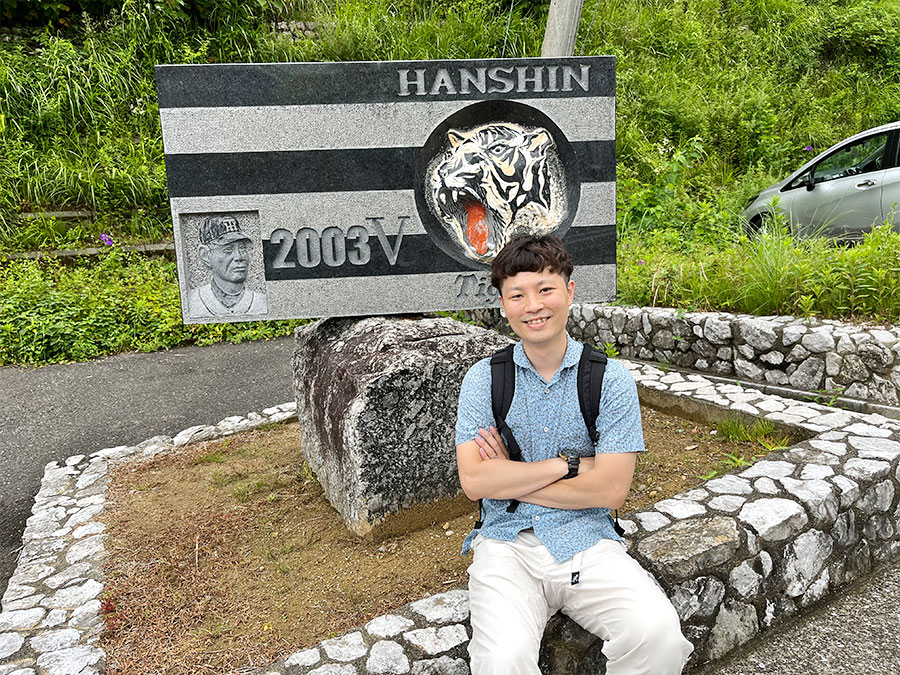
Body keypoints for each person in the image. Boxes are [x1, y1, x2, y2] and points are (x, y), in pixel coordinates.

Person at [455, 234, 693, 675]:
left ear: (569, 290)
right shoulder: (483, 379)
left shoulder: (610, 380)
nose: (533, 306)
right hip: (507, 543)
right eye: (517, 295)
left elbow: (611, 489)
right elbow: (475, 482)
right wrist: (566, 465)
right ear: (504, 305)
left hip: (588, 539)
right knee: (500, 662)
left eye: (545, 289)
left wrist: (513, 476)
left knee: (656, 633)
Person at [188, 214, 268, 318]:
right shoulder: (194, 301)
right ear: (205, 255)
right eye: (228, 250)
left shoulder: (261, 301)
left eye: (242, 248)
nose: (239, 257)